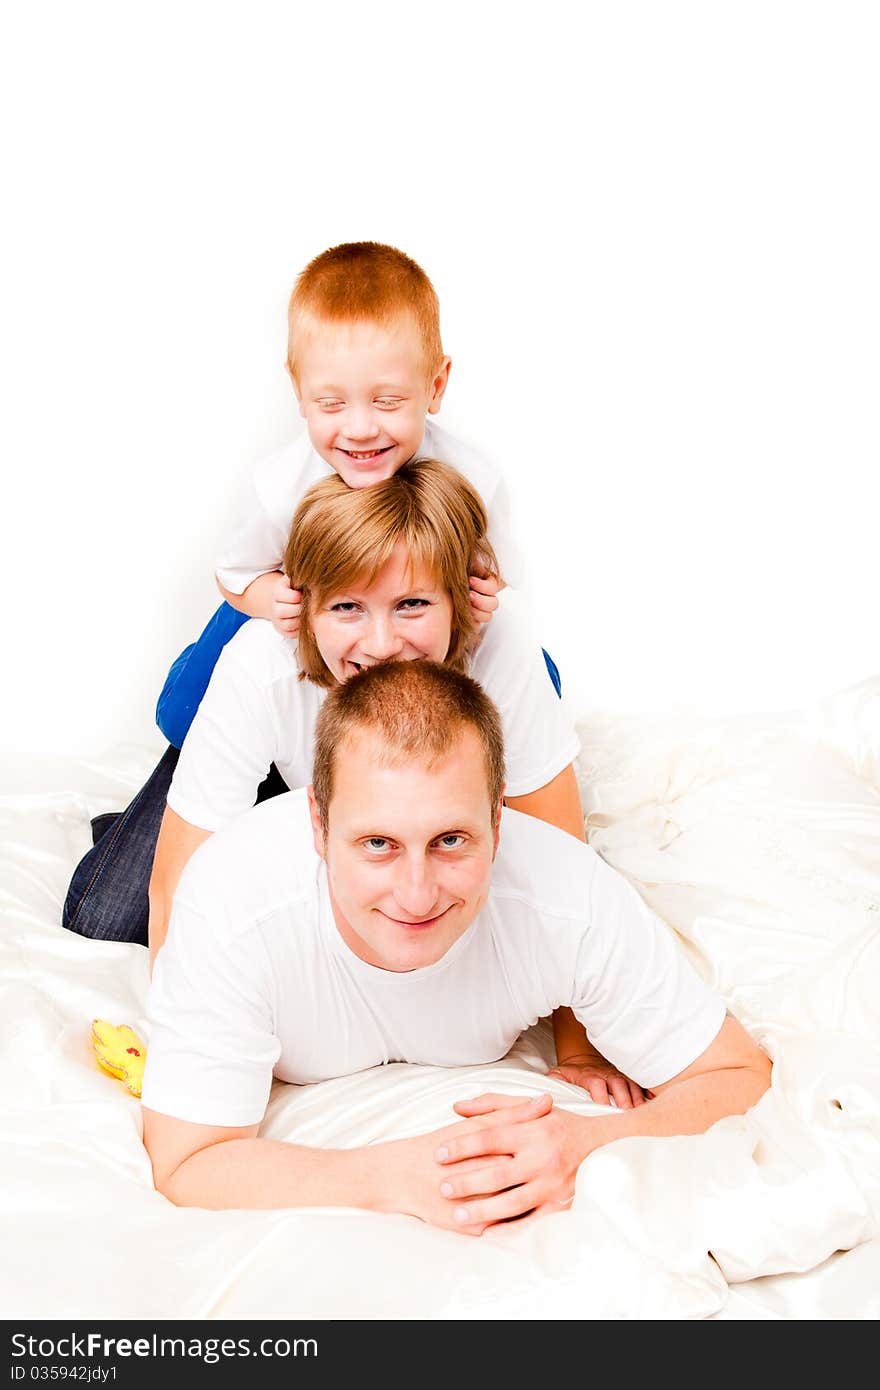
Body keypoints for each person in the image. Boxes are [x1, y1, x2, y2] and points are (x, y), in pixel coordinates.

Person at [65, 459, 634, 1103]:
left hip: (413, 795)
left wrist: (583, 1049)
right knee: (106, 913)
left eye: (413, 604)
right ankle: (168, 797)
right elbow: (177, 881)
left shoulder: (505, 653)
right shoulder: (262, 661)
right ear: (306, 610)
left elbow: (563, 860)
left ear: (462, 602)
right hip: (286, 774)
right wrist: (185, 1046)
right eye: (348, 608)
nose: (382, 642)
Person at [141, 660, 772, 1233]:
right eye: (378, 845)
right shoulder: (230, 900)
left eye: (449, 841)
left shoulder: (565, 892)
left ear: (499, 823)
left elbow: (738, 1074)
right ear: (318, 824)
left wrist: (588, 1145)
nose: (416, 895)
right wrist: (390, 1178)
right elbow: (187, 1160)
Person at [155, 239, 525, 752]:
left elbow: (494, 569)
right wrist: (273, 601)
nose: (360, 429)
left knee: (532, 678)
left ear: (436, 385)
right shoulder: (280, 488)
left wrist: (482, 593)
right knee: (182, 719)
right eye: (331, 403)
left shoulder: (474, 480)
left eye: (388, 401)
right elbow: (233, 574)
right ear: (299, 391)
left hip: (402, 613)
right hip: (304, 597)